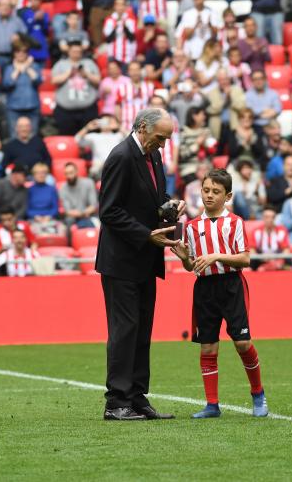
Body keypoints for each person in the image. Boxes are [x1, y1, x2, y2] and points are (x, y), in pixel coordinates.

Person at [96, 108, 184, 421]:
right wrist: (146, 234)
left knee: (142, 329)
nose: (162, 145)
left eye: (166, 139)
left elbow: (152, 198)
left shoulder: (153, 157)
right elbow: (109, 211)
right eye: (160, 138)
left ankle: (136, 397)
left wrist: (170, 205)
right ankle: (116, 402)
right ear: (143, 128)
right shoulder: (121, 156)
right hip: (121, 261)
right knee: (124, 330)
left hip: (145, 258)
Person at [168, 168, 267, 418]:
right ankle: (212, 405)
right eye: (206, 190)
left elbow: (245, 259)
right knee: (208, 348)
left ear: (228, 196)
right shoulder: (190, 226)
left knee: (243, 343)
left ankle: (258, 394)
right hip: (205, 289)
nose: (209, 195)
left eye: (216, 191)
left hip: (231, 286)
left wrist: (216, 255)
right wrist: (184, 260)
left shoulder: (235, 223)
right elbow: (193, 266)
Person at [51, 42, 101, 135]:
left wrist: (86, 74)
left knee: (90, 137)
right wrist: (68, 74)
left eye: (78, 51)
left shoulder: (89, 63)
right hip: (65, 111)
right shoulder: (60, 64)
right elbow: (54, 81)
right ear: (68, 51)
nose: (76, 53)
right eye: (74, 51)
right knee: (67, 138)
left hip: (88, 110)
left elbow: (98, 80)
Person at [59, 162, 99, 229]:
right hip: (73, 218)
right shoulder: (63, 188)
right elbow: (68, 211)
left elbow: (93, 205)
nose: (69, 176)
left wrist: (82, 213)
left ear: (76, 171)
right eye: (67, 174)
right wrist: (81, 214)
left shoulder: (89, 183)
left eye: (71, 172)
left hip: (89, 215)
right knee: (68, 222)